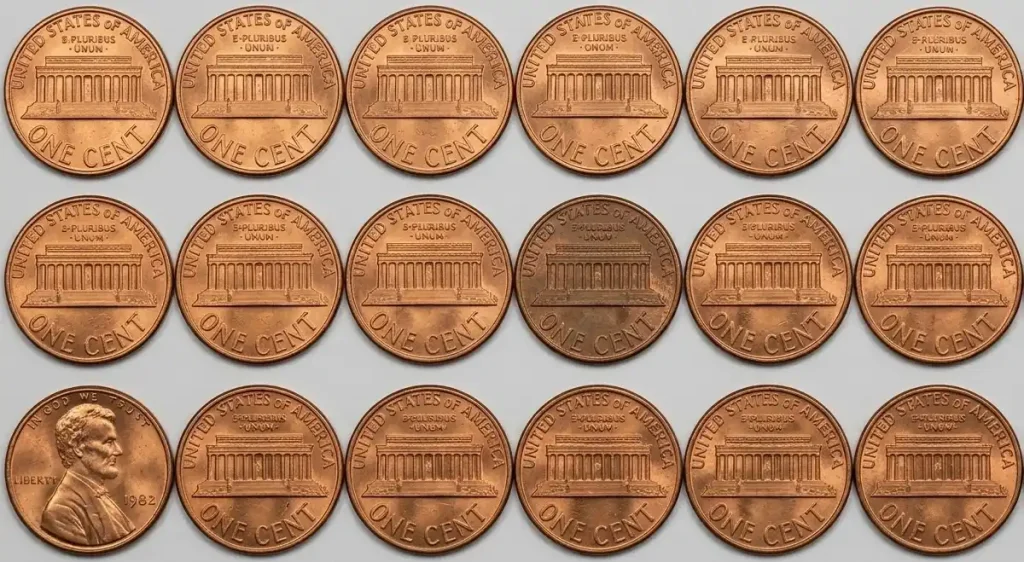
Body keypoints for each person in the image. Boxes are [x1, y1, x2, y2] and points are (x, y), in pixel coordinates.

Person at [40, 404, 136, 546]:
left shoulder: (98, 494)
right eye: (108, 442)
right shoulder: (61, 511)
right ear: (78, 447)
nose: (118, 450)